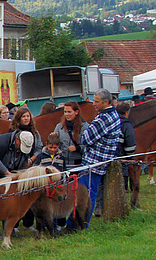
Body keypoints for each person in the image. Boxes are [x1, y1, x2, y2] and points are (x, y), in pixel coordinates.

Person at [79, 89, 121, 225]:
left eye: (96, 101)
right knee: (90, 193)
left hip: (94, 162)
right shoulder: (114, 114)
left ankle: (81, 223)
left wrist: (86, 131)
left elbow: (85, 139)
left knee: (86, 194)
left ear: (106, 102)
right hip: (100, 161)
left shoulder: (104, 118)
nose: (93, 104)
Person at [54, 102, 83, 171]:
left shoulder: (84, 127)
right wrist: (53, 139)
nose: (67, 114)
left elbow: (89, 146)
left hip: (78, 164)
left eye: (69, 112)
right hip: (62, 164)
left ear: (76, 112)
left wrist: (77, 148)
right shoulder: (59, 127)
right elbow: (55, 144)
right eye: (65, 112)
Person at [116, 101, 136, 192]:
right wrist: (130, 156)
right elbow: (130, 142)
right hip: (122, 155)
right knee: (123, 174)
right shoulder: (127, 124)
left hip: (112, 156)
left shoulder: (112, 122)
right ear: (127, 112)